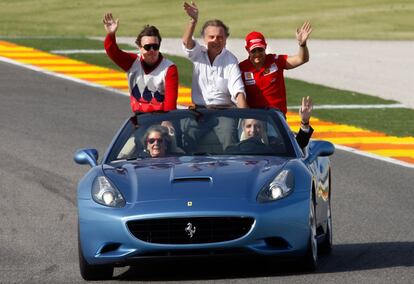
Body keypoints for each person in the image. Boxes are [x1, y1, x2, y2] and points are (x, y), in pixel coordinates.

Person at [103, 13, 178, 113]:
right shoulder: (133, 62)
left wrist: (167, 123)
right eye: (147, 47)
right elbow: (112, 51)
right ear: (140, 47)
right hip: (139, 119)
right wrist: (111, 34)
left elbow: (170, 104)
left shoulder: (169, 68)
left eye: (155, 47)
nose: (152, 50)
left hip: (161, 119)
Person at [182, 1, 247, 108]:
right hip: (199, 111)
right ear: (204, 38)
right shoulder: (198, 54)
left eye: (220, 37)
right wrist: (193, 21)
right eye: (211, 37)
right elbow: (186, 43)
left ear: (226, 39)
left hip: (223, 112)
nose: (216, 40)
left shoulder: (230, 60)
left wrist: (247, 118)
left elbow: (238, 91)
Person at [239, 23, 312, 115]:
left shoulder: (276, 61)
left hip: (277, 118)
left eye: (260, 50)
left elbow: (301, 59)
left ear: (265, 47)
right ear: (247, 49)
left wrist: (302, 45)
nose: (257, 54)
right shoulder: (241, 68)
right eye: (253, 50)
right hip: (255, 119)